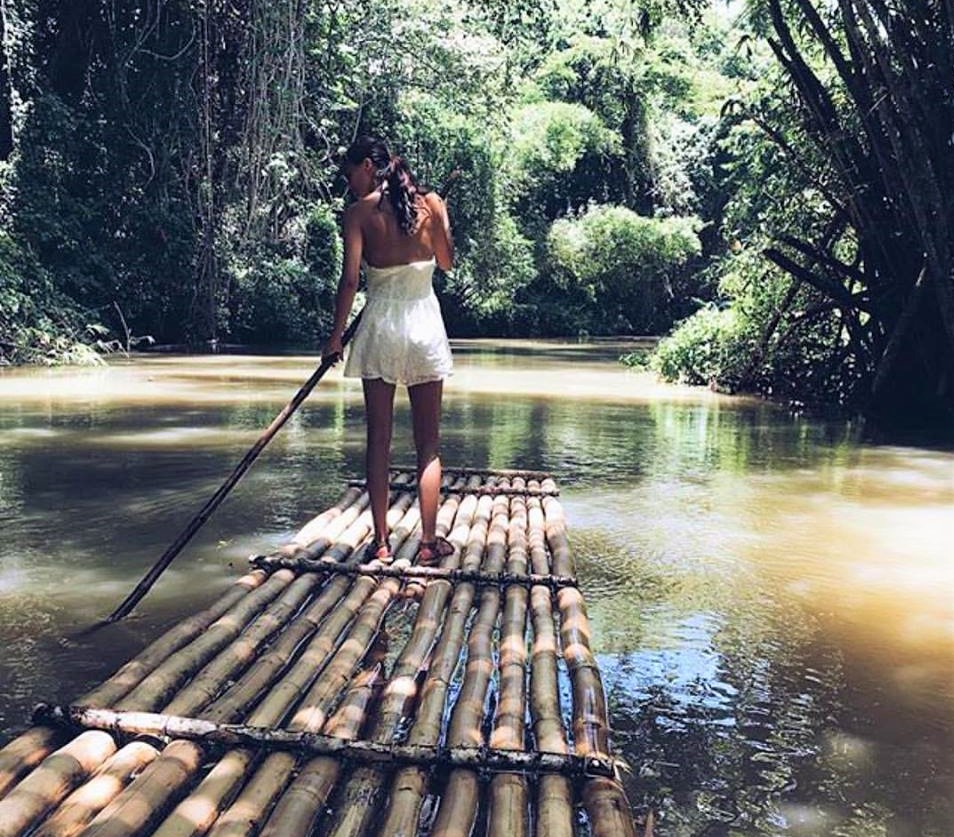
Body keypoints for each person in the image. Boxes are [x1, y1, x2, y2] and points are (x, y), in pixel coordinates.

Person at [322, 135, 455, 566]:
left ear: (367, 167)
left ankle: (381, 542)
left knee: (378, 441)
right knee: (428, 445)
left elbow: (349, 282)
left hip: (380, 327)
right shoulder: (430, 204)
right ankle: (429, 543)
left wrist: (336, 336)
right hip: (423, 325)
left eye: (349, 174)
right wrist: (442, 217)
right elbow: (447, 262)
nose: (348, 184)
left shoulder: (358, 215)